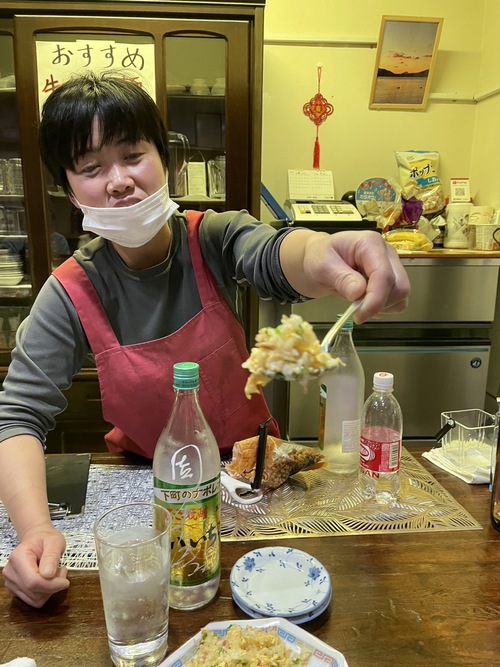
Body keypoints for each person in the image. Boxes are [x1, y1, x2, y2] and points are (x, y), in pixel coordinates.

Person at [0, 72, 410, 608]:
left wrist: (331, 251)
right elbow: (18, 418)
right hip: (157, 496)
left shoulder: (212, 238)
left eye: (132, 155)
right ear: (69, 188)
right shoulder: (70, 291)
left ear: (167, 163)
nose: (119, 181)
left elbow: (276, 254)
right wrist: (34, 531)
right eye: (91, 168)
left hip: (262, 480)